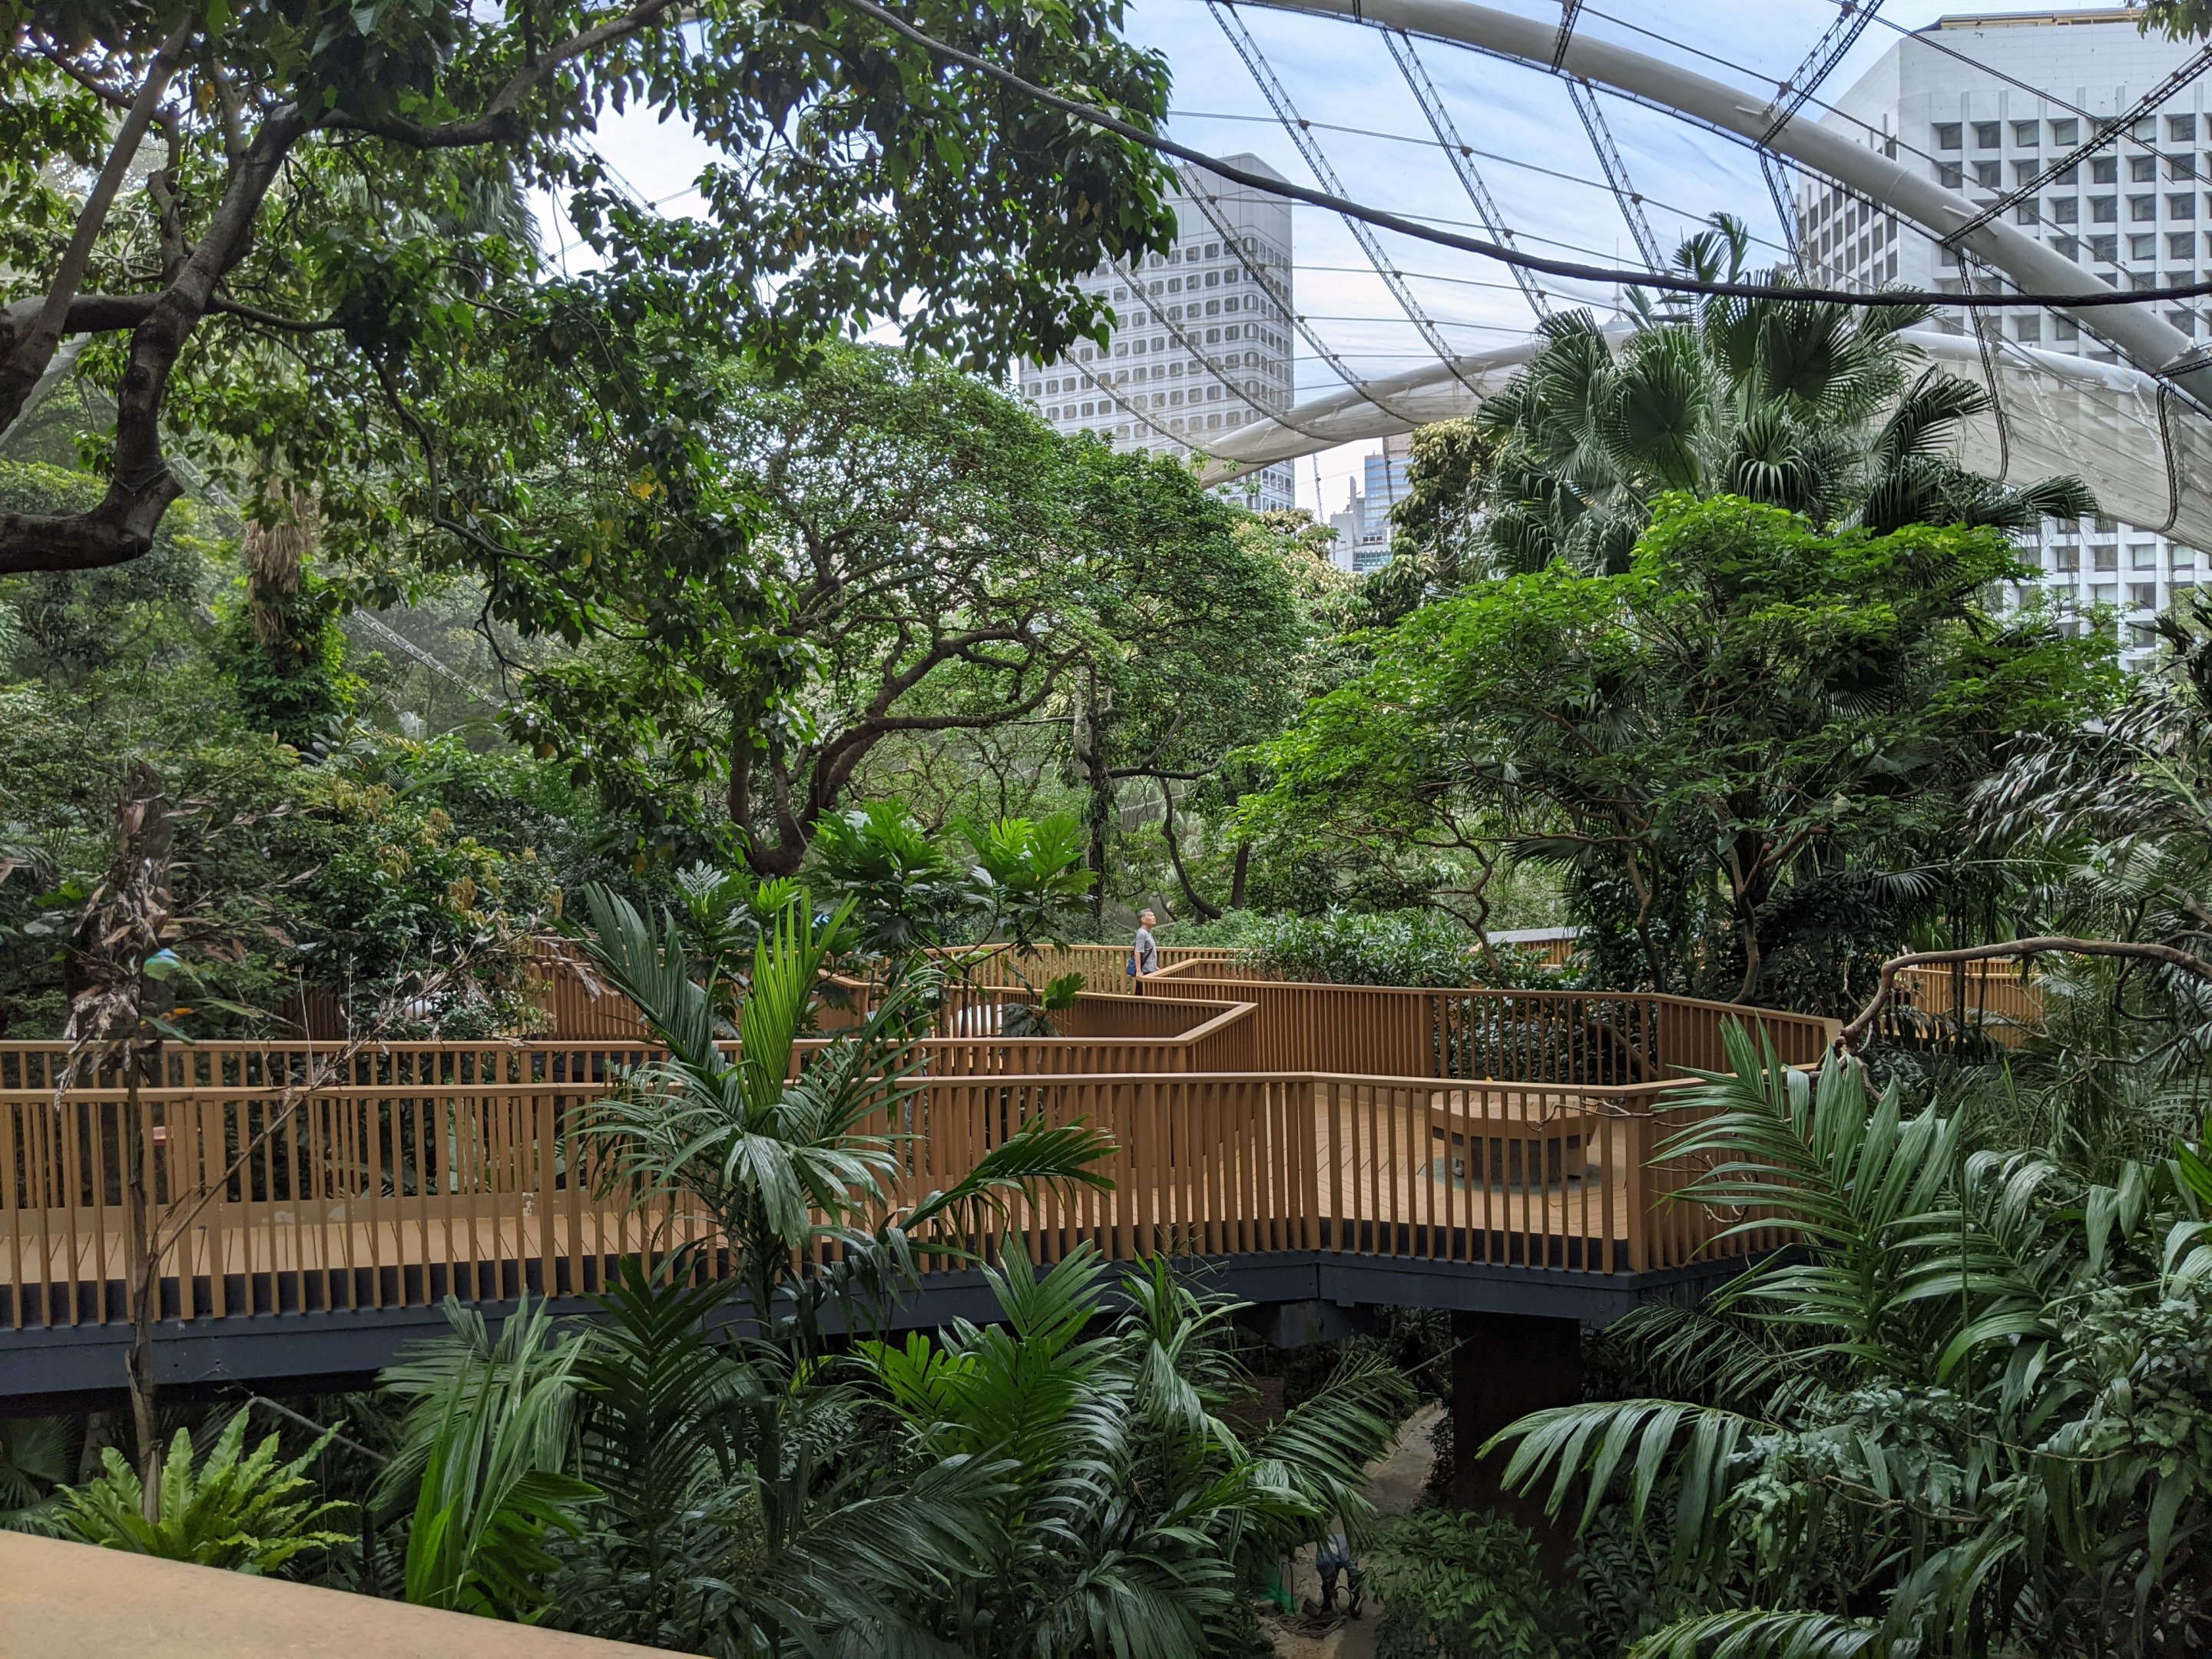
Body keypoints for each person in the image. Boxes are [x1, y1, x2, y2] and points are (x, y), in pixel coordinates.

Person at [1131, 909, 1160, 982]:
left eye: (1153, 916)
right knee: (1142, 992)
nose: (1153, 917)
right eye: (1150, 916)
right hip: (1145, 971)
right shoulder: (1142, 933)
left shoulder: (1148, 933)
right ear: (1143, 919)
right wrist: (1139, 971)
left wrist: (1155, 967)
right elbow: (1138, 951)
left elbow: (1148, 951)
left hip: (1151, 970)